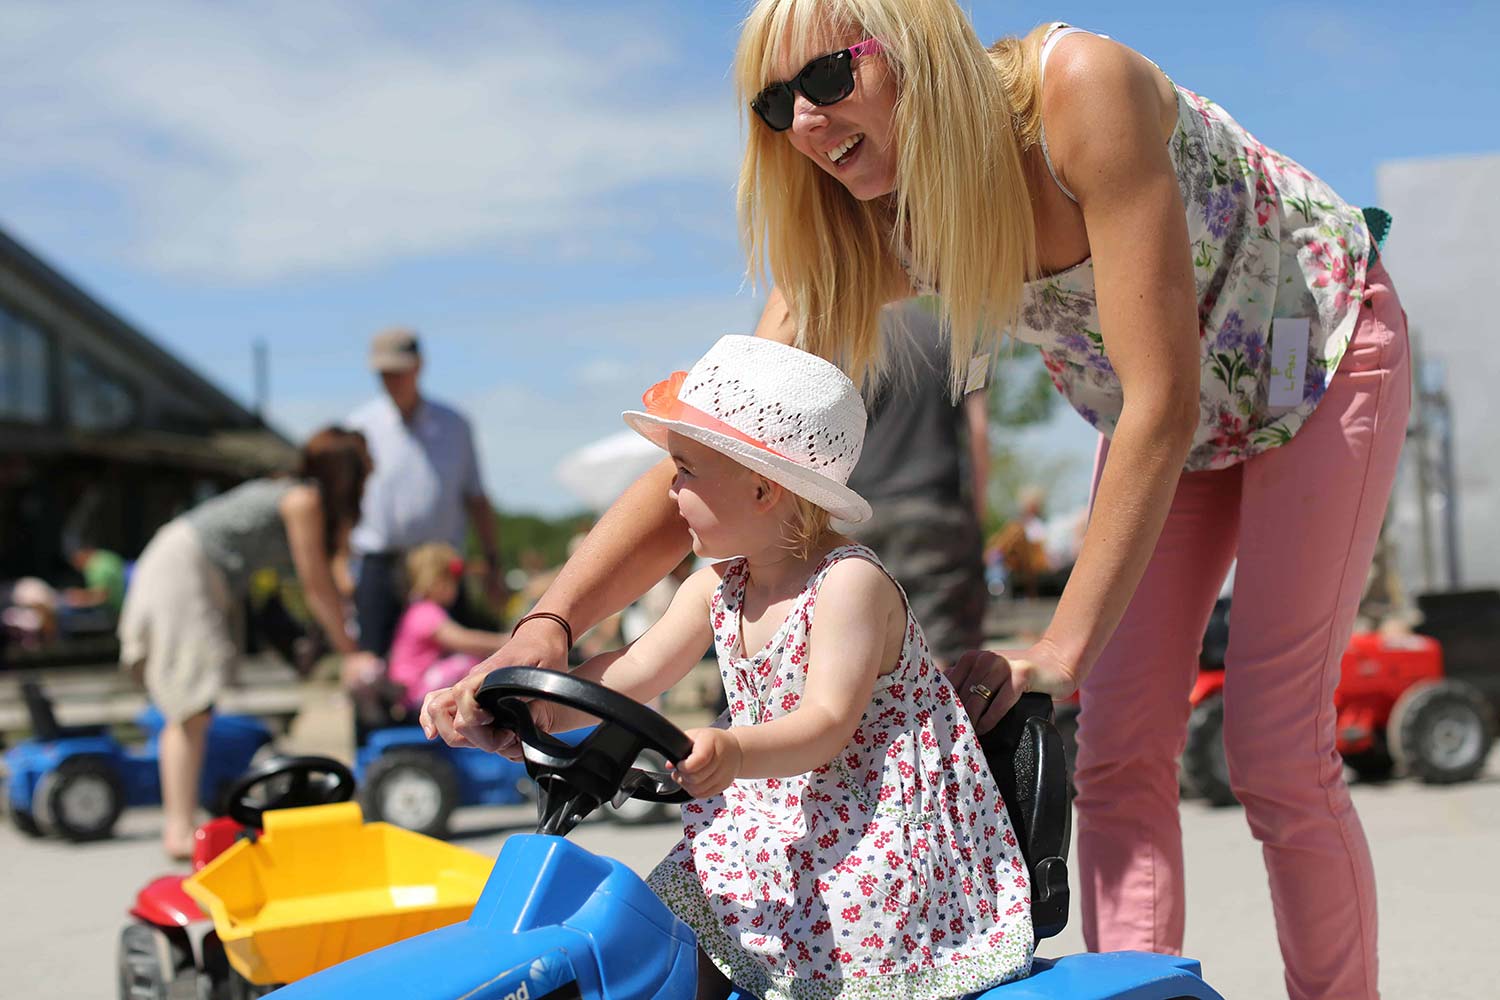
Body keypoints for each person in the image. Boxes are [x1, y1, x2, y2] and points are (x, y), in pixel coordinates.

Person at [428, 6, 1407, 997]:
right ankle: (1142, 985)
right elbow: (715, 446)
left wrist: (1059, 648)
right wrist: (548, 627)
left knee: (1273, 749)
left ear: (914, 50)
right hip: (1163, 416)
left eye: (827, 78)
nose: (805, 121)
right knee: (1114, 752)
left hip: (1317, 358)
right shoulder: (866, 229)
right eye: (776, 104)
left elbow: (1164, 397)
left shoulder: (1079, 94)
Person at [478, 337, 1033, 999]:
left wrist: (736, 750)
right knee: (653, 935)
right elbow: (632, 671)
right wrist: (530, 705)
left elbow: (826, 723)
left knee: (814, 929)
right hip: (768, 826)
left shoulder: (848, 585)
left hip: (871, 836)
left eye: (685, 471)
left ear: (764, 489)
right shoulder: (717, 586)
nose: (670, 490)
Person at [117, 427, 380, 858]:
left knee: (194, 707)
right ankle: (179, 830)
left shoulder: (301, 497)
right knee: (189, 706)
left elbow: (336, 575)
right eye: (364, 472)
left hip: (195, 570)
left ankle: (182, 823)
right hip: (185, 569)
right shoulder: (302, 500)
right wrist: (350, 653)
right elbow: (316, 585)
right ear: (345, 473)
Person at [843, 298, 989, 667]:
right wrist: (977, 514)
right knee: (942, 656)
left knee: (857, 657)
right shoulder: (961, 339)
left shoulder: (842, 341)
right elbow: (978, 429)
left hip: (853, 517)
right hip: (934, 511)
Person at [346, 327, 505, 657]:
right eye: (384, 374)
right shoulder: (359, 426)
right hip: (380, 563)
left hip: (441, 564)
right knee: (374, 660)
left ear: (418, 366)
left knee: (452, 663)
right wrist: (339, 563)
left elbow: (476, 497)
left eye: (398, 371)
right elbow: (344, 503)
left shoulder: (454, 425)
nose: (391, 381)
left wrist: (492, 562)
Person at [386, 542, 510, 711]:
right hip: (415, 690)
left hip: (413, 688)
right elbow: (462, 640)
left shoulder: (418, 608)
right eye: (454, 581)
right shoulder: (426, 612)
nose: (457, 587)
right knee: (468, 664)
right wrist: (504, 641)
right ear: (437, 581)